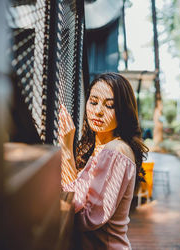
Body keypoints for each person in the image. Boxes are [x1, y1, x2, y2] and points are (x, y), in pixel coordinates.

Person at [59, 72, 148, 250]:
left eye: (110, 105)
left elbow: (87, 217)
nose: (98, 111)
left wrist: (67, 150)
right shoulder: (99, 148)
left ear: (122, 110)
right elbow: (81, 194)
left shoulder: (115, 151)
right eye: (93, 102)